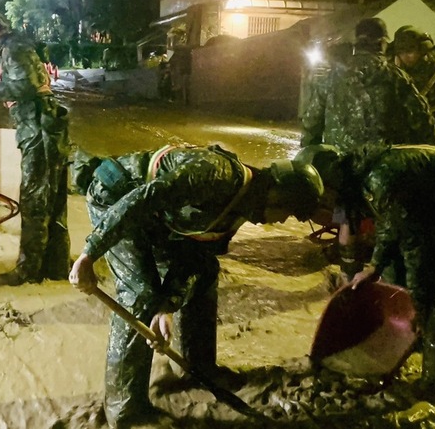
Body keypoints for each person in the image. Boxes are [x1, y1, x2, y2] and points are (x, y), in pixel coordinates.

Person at [69, 144, 324, 428]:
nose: (281, 221)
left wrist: (167, 307)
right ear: (277, 194)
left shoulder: (239, 208)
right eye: (287, 213)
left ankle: (197, 367)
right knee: (141, 294)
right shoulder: (216, 175)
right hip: (117, 197)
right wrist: (89, 254)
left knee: (205, 271)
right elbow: (142, 200)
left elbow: (193, 257)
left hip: (157, 220)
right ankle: (125, 411)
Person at [295, 143, 435, 403]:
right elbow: (390, 225)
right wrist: (373, 268)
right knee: (396, 277)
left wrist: (418, 304)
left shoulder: (380, 179)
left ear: (330, 182)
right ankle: (413, 340)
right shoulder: (355, 184)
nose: (323, 204)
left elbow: (414, 248)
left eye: (322, 197)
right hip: (430, 205)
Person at [299, 17, 435, 280]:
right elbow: (423, 123)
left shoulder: (331, 77)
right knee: (392, 223)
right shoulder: (396, 77)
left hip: (344, 167)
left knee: (347, 215)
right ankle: (385, 281)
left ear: (356, 43)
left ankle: (348, 277)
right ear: (382, 44)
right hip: (387, 168)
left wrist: (309, 157)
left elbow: (310, 122)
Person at [0, 6, 71, 283]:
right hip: (45, 129)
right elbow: (20, 80)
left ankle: (29, 271)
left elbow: (25, 87)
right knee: (53, 200)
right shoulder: (14, 47)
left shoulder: (13, 48)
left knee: (35, 200)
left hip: (39, 132)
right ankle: (56, 266)